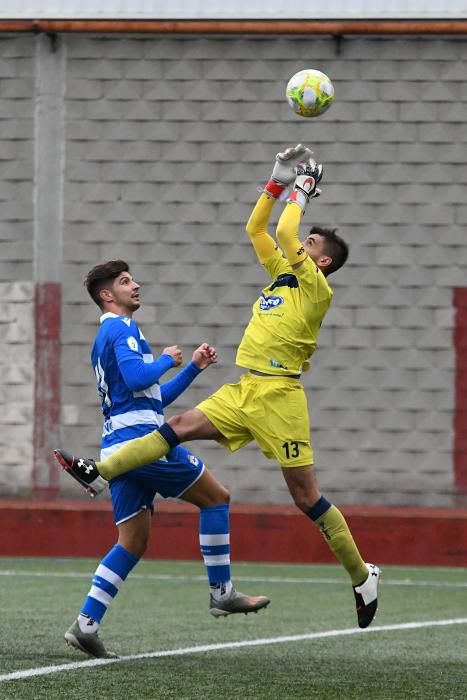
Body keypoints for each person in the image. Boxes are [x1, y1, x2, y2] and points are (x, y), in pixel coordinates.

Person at [56, 145, 380, 629]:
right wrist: (277, 178)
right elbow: (258, 228)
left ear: (324, 262)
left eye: (312, 244)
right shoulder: (282, 276)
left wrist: (306, 186)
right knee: (179, 425)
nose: (300, 244)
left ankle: (361, 575)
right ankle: (99, 471)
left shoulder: (316, 286)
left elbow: (287, 229)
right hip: (246, 388)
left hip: (280, 397)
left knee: (305, 496)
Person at [54, 259, 270, 659]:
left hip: (120, 443)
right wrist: (166, 360)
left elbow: (153, 399)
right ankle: (222, 593)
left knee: (132, 542)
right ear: (106, 295)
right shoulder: (121, 328)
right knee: (217, 497)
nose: (135, 285)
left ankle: (85, 625)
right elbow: (140, 378)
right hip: (143, 443)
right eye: (124, 281)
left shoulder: (109, 335)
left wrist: (191, 368)